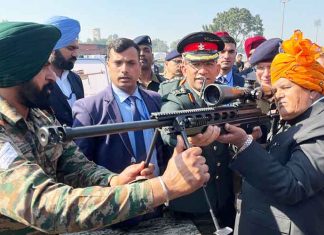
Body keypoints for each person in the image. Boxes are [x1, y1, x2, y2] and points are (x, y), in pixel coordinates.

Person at [0, 21, 216, 234]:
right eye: (42, 67)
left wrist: (114, 180)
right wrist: (163, 188)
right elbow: (49, 207)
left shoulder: (38, 117)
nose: (51, 75)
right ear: (16, 71)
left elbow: (76, 165)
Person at [215, 30, 324, 235]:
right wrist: (256, 144)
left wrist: (245, 144)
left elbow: (293, 185)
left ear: (312, 90)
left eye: (285, 88)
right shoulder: (299, 116)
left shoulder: (319, 124)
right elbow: (284, 156)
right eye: (275, 90)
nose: (278, 96)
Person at [159, 32, 236, 234]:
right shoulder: (179, 101)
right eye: (195, 65)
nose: (202, 71)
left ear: (217, 68)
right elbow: (167, 126)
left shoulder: (225, 97)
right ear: (184, 69)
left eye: (209, 64)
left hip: (225, 201)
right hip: (193, 206)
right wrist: (186, 138)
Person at [45, 16, 84, 127]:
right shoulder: (37, 81)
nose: (75, 54)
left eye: (77, 48)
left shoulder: (76, 79)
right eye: (70, 48)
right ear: (52, 48)